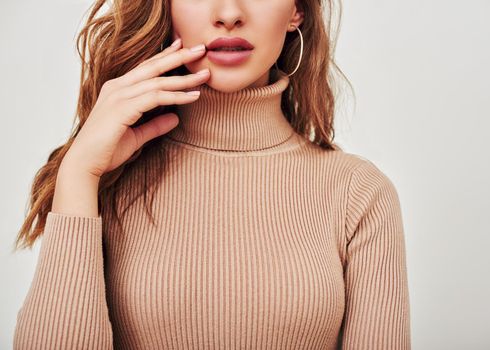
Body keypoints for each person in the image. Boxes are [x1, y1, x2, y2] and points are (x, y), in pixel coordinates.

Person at [12, 0, 411, 348]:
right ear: (164, 8)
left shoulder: (358, 194)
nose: (229, 14)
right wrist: (79, 173)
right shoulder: (104, 180)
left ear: (297, 11)